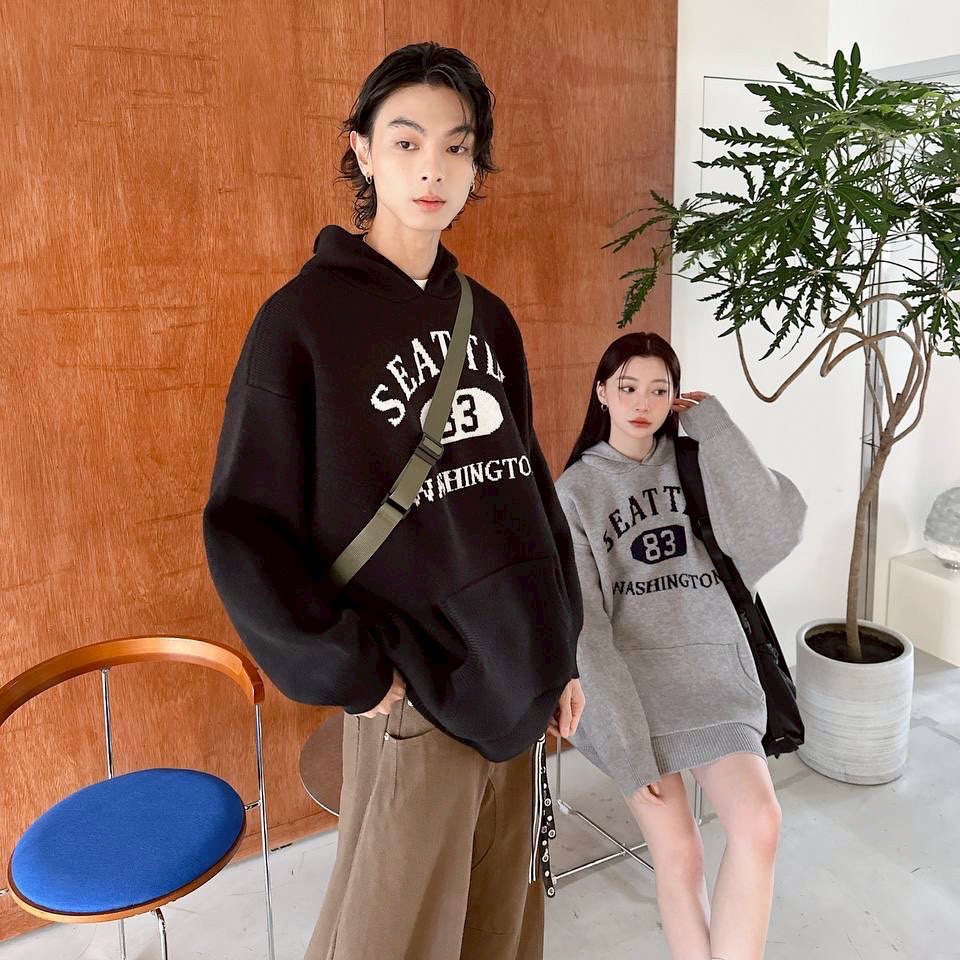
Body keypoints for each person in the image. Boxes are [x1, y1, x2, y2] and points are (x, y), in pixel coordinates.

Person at [202, 41, 584, 960]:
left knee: (501, 928)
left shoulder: (487, 317)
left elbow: (526, 489)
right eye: (407, 142)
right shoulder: (300, 323)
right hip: (412, 693)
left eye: (457, 147)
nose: (432, 170)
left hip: (519, 682)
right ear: (363, 151)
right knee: (389, 938)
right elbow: (243, 527)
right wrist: (354, 670)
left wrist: (561, 647)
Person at [555, 331, 806, 960]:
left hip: (716, 676)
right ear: (602, 392)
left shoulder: (694, 463)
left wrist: (715, 428)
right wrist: (627, 747)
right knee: (680, 852)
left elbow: (774, 530)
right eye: (628, 387)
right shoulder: (576, 492)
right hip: (635, 697)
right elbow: (586, 628)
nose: (642, 403)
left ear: (675, 397)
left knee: (760, 825)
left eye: (658, 389)